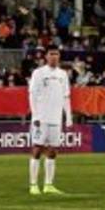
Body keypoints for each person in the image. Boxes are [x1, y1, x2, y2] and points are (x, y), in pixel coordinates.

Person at [28, 46, 73, 195]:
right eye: (51, 54)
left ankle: (48, 185)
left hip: (56, 118)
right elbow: (32, 94)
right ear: (46, 56)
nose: (54, 56)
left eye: (56, 54)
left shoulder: (62, 74)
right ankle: (33, 184)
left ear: (59, 57)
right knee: (37, 149)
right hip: (41, 118)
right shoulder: (39, 73)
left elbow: (66, 96)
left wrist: (69, 116)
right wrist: (35, 115)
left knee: (53, 151)